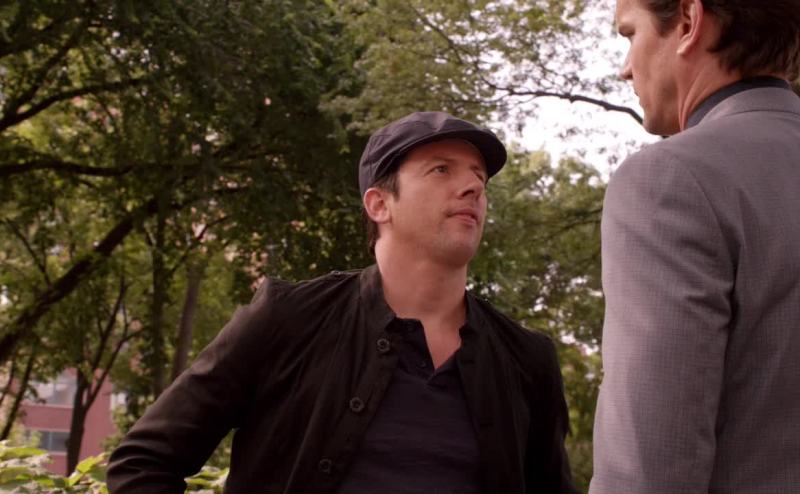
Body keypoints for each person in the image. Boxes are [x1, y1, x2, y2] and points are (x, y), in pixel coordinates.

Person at [107, 111, 577, 493]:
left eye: (479, 176)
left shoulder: (526, 360)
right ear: (379, 204)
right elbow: (142, 463)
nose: (474, 187)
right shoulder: (287, 320)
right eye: (441, 169)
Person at [591, 0, 800, 493]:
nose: (625, 68)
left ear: (688, 22)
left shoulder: (669, 180)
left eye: (630, 34)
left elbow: (649, 470)